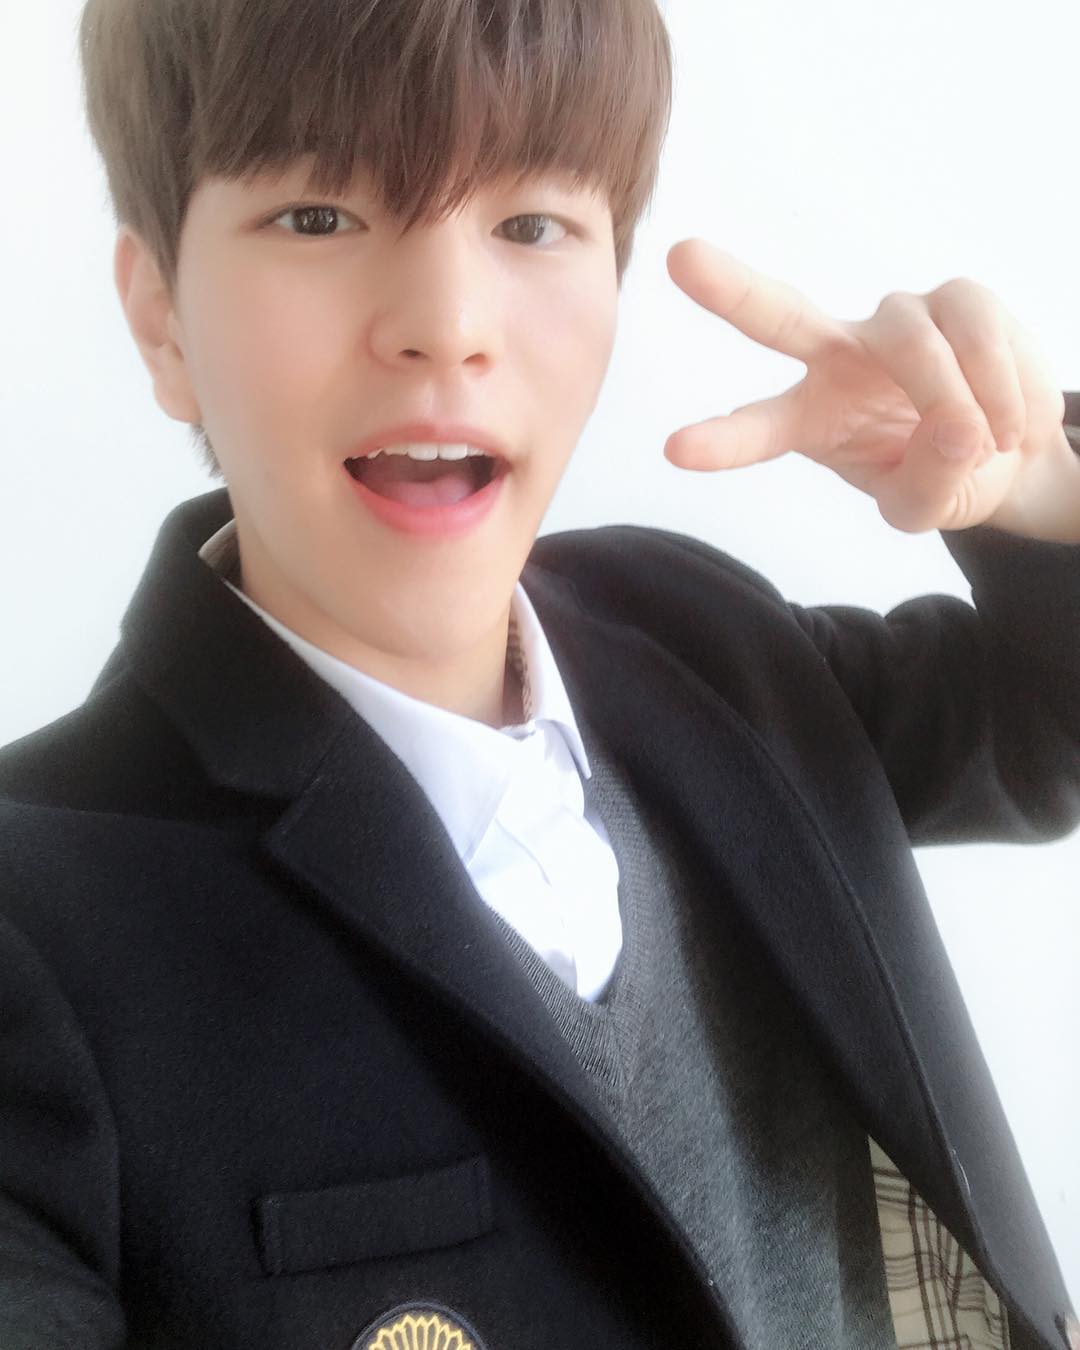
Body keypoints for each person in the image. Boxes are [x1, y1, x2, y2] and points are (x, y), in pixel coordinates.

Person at [0, 0, 1078, 1346]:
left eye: (530, 223)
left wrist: (1040, 492)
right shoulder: (32, 925)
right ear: (163, 318)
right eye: (319, 217)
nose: (446, 326)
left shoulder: (700, 637)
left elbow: (1048, 725)